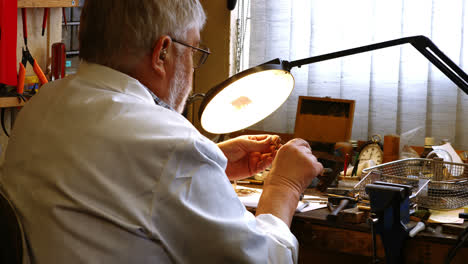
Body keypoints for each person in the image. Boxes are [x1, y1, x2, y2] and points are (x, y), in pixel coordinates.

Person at [0, 0, 323, 263]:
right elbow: (263, 261)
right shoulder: (170, 144)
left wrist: (215, 165)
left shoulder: (43, 104)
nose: (192, 69)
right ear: (162, 53)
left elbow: (114, 183)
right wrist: (285, 185)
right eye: (194, 51)